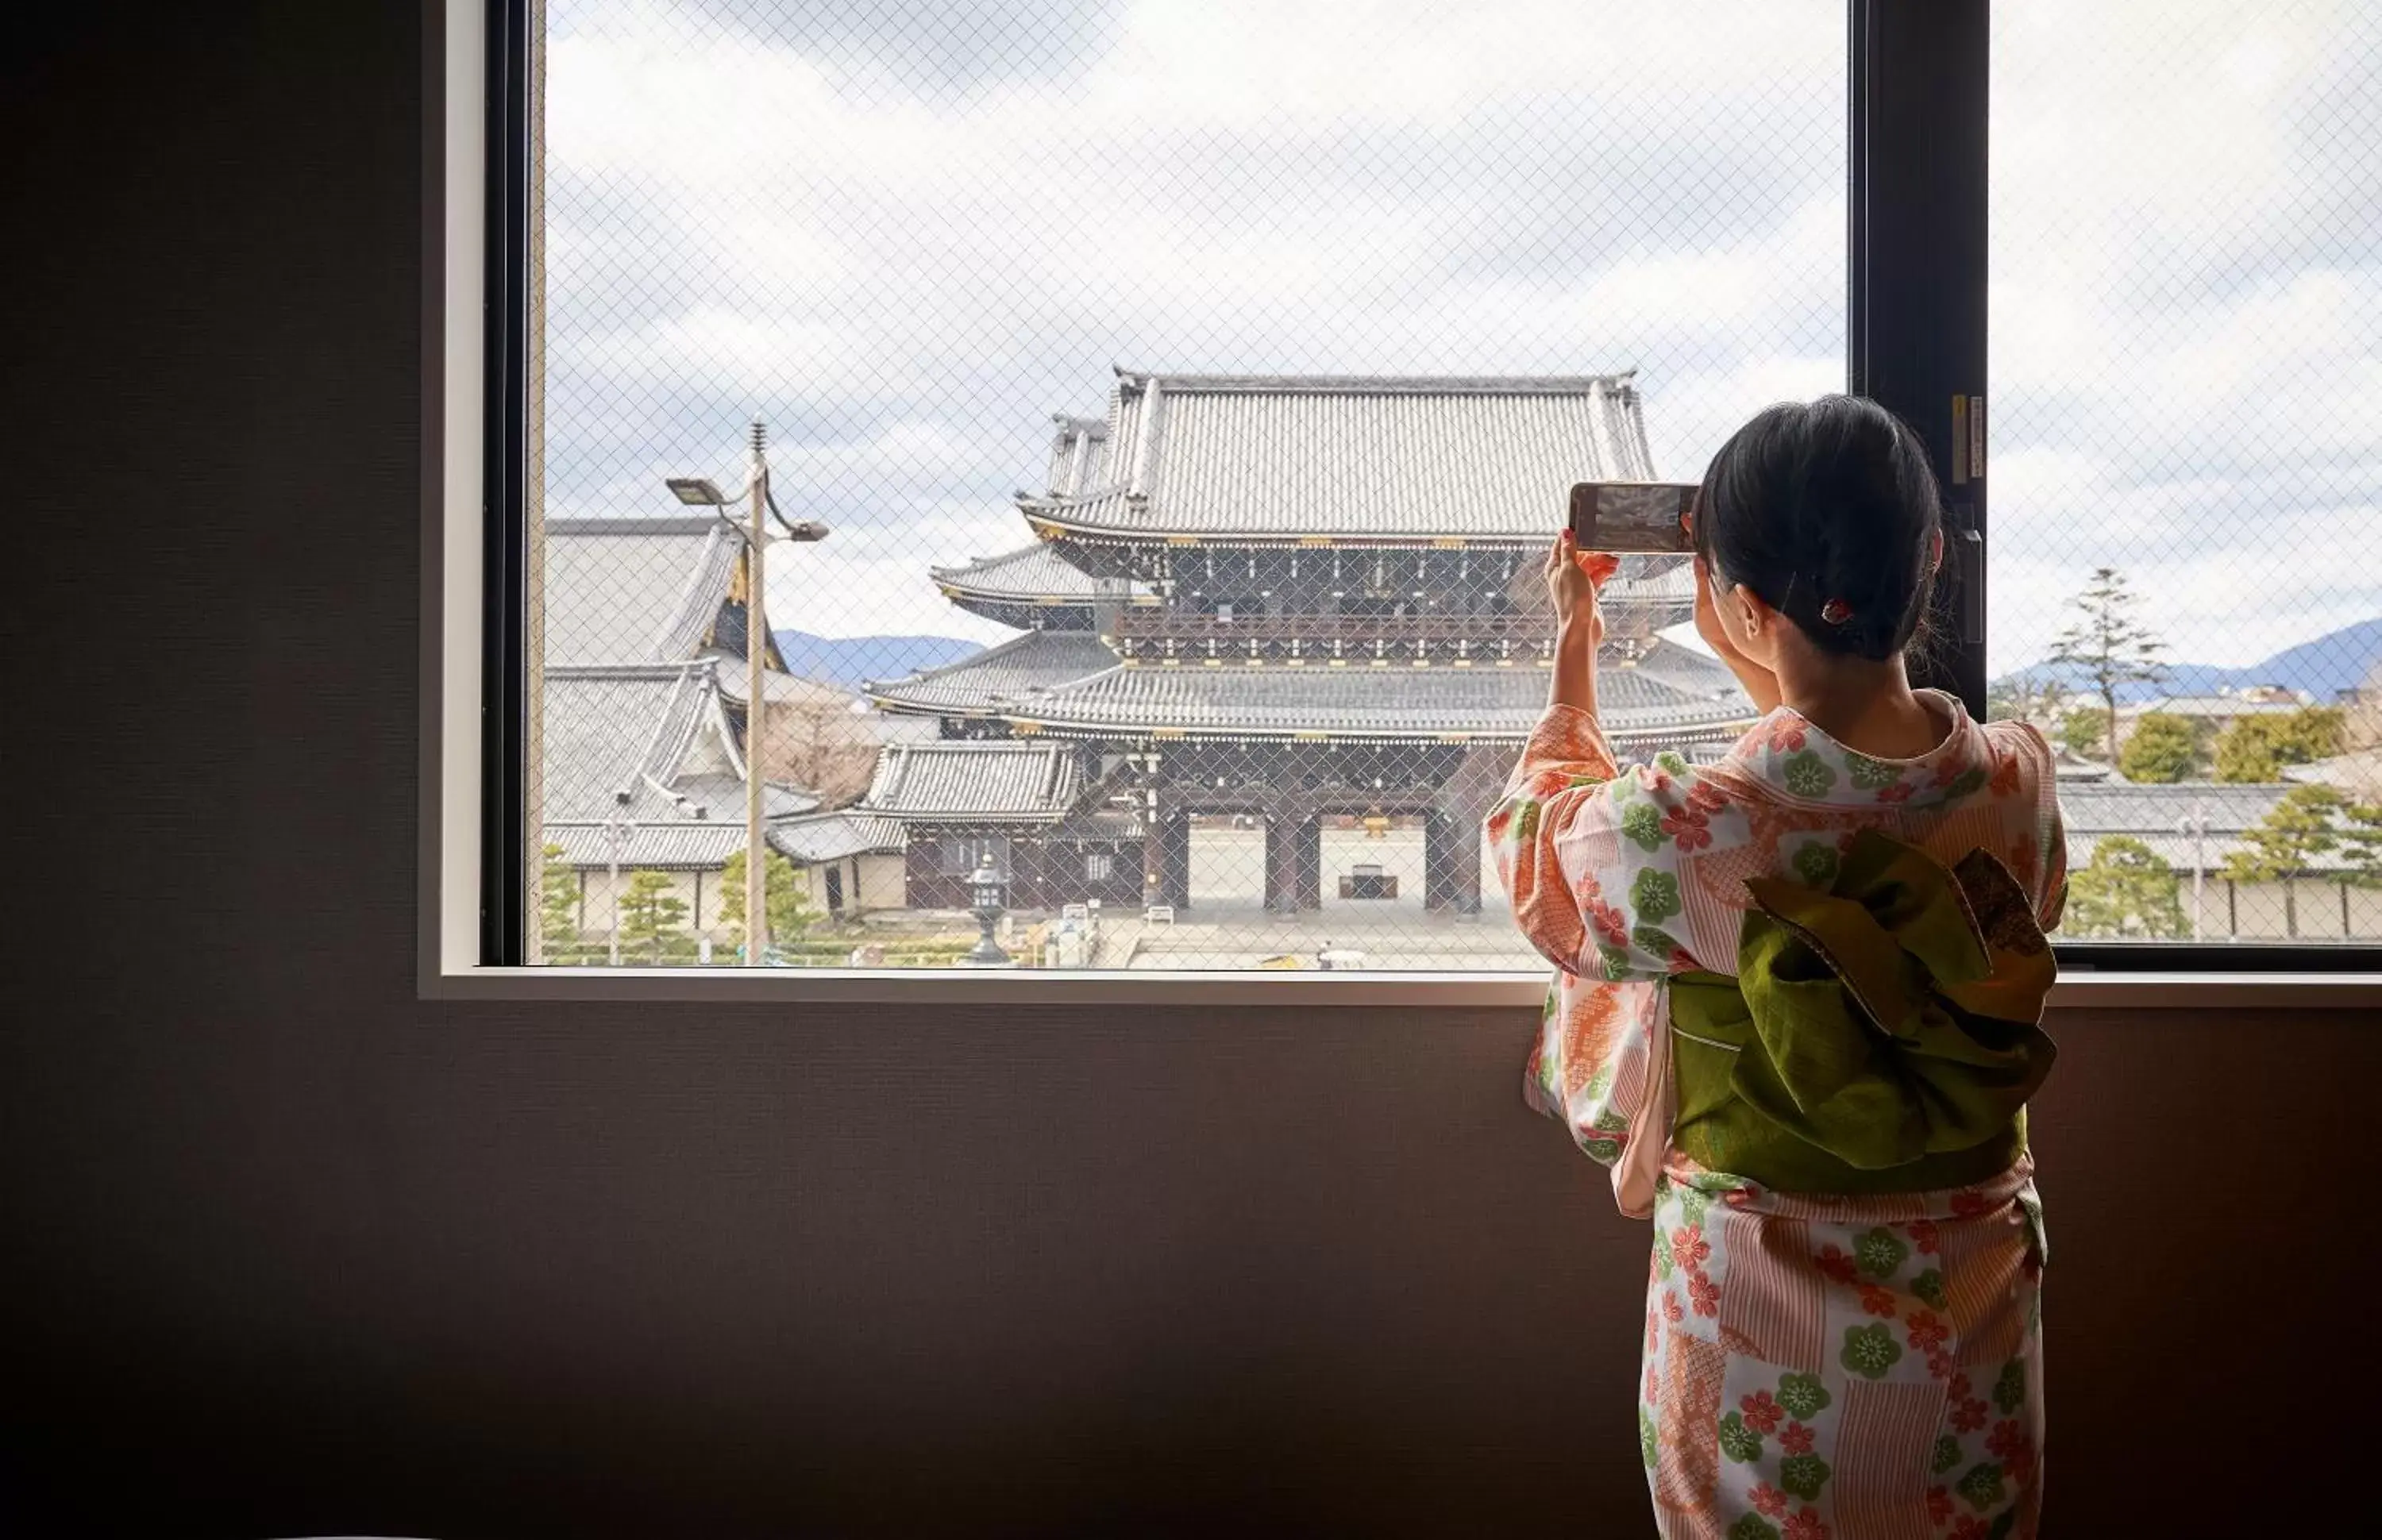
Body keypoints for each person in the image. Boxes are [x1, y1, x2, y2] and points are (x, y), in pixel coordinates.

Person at [1491, 396, 2066, 1539]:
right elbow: (1862, 771)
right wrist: (1766, 654)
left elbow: (1538, 857)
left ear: (1742, 604)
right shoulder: (2017, 784)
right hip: (1970, 1277)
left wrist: (1574, 644)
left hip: (1761, 1292)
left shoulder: (1695, 827)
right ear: (1932, 558)